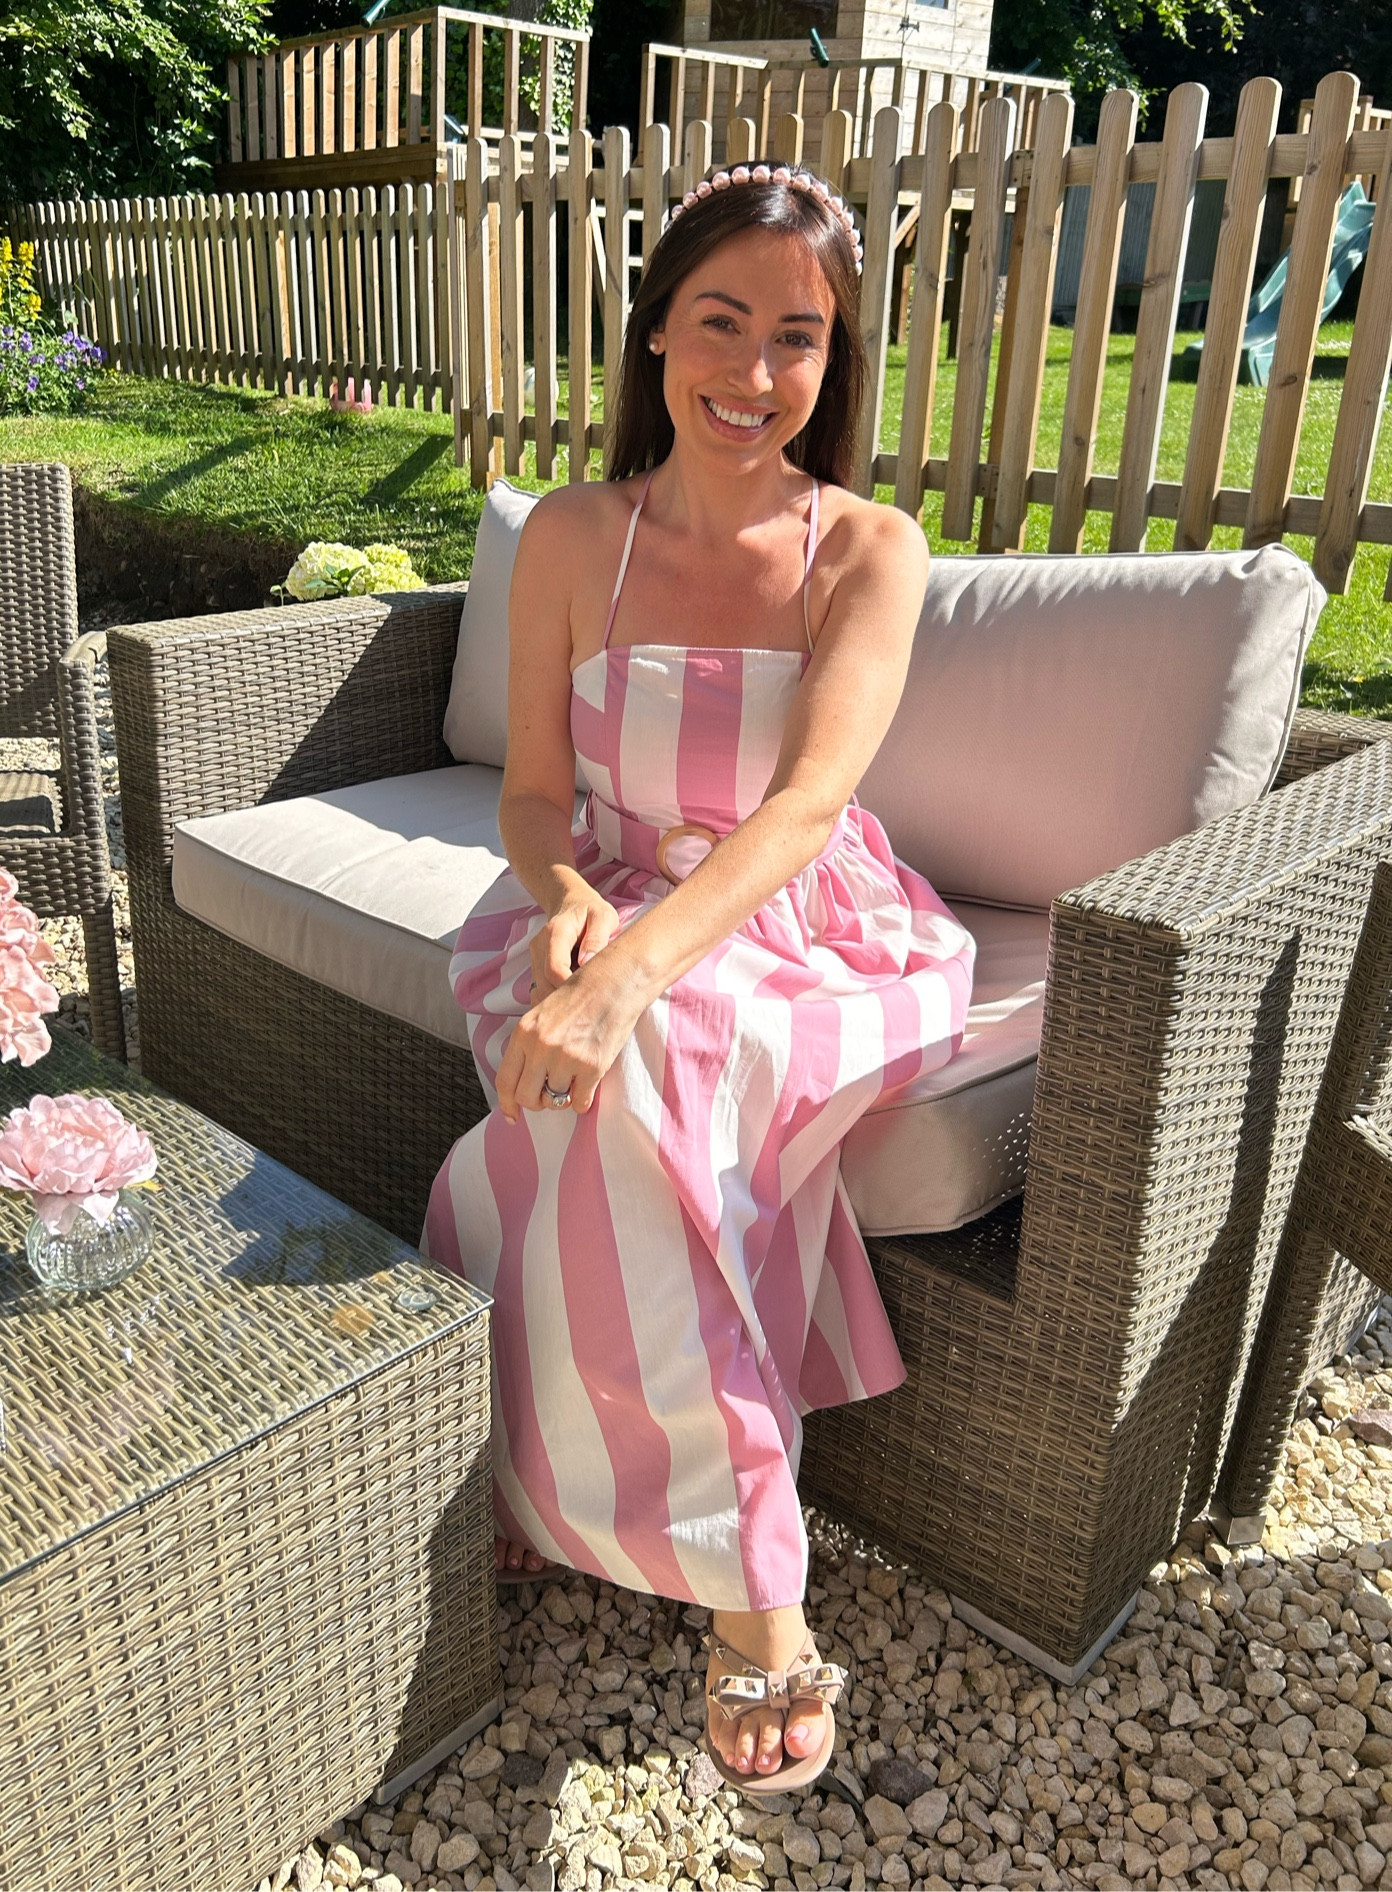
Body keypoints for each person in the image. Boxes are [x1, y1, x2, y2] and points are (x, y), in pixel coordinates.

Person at [422, 160, 975, 1794]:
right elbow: (532, 792)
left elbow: (807, 807)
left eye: (796, 339)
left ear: (838, 359)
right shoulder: (573, 536)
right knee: (599, 1077)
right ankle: (610, 1506)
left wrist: (625, 982)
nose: (753, 374)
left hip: (805, 919)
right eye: (719, 323)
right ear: (656, 328)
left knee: (635, 1064)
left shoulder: (869, 546)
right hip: (611, 897)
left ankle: (745, 1587)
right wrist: (570, 905)